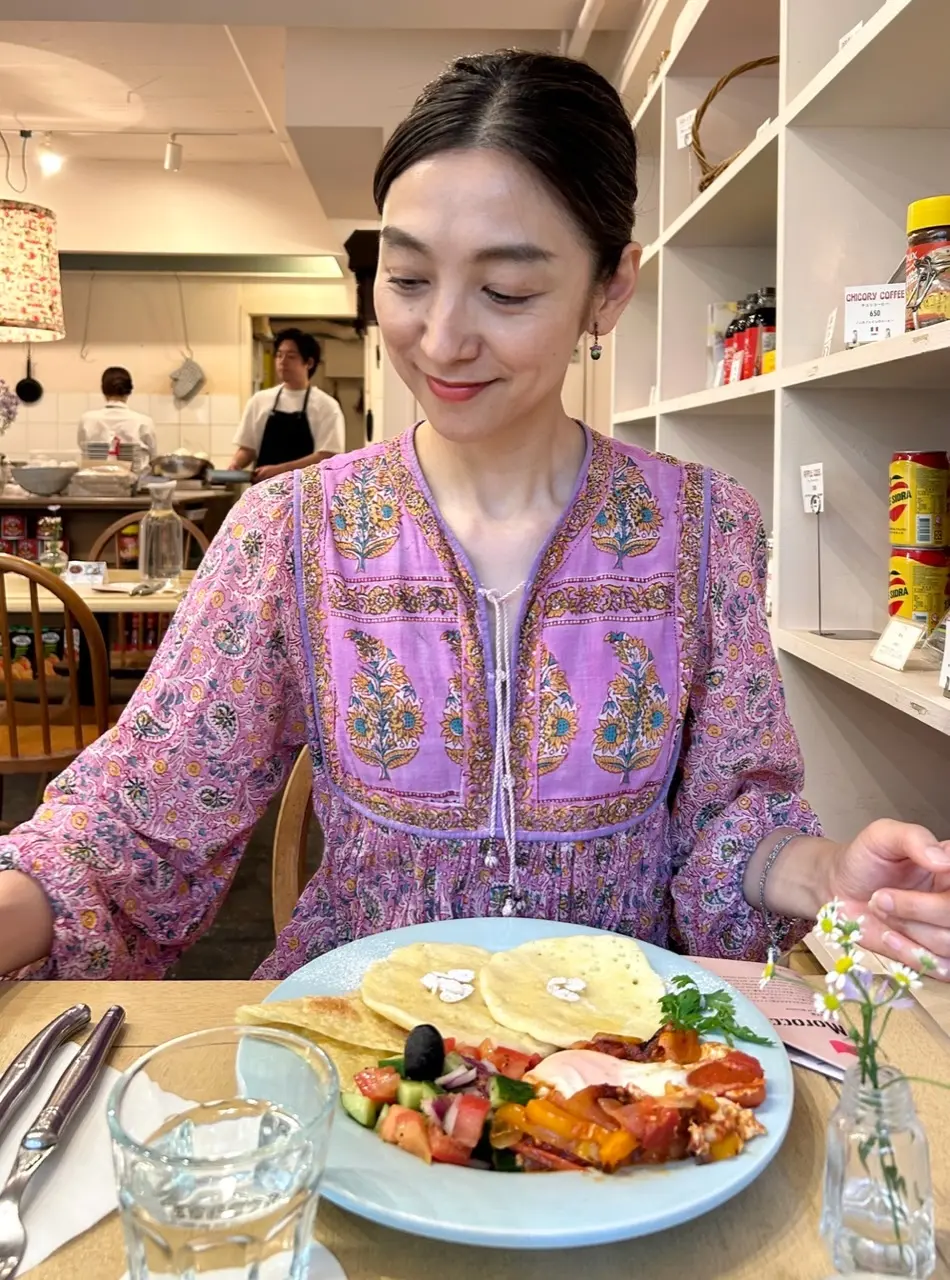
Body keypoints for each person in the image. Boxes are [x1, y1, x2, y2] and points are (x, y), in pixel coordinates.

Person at [1, 50, 948, 983]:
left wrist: (831, 873)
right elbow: (140, 818)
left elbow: (724, 821)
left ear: (609, 289)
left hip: (617, 1063)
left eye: (507, 291)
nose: (442, 338)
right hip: (357, 1053)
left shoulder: (703, 528)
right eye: (408, 280)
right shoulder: (291, 531)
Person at [230, 328, 345, 482]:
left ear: (309, 363)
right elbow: (247, 449)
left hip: (306, 495)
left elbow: (327, 456)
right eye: (279, 355)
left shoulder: (326, 406)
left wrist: (281, 471)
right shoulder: (259, 400)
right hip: (264, 495)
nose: (282, 362)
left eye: (291, 356)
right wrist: (235, 465)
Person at [77, 367, 157, 461]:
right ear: (129, 391)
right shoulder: (144, 422)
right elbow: (153, 457)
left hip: (96, 474)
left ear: (103, 389)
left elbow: (83, 448)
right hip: (136, 475)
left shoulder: (87, 419)